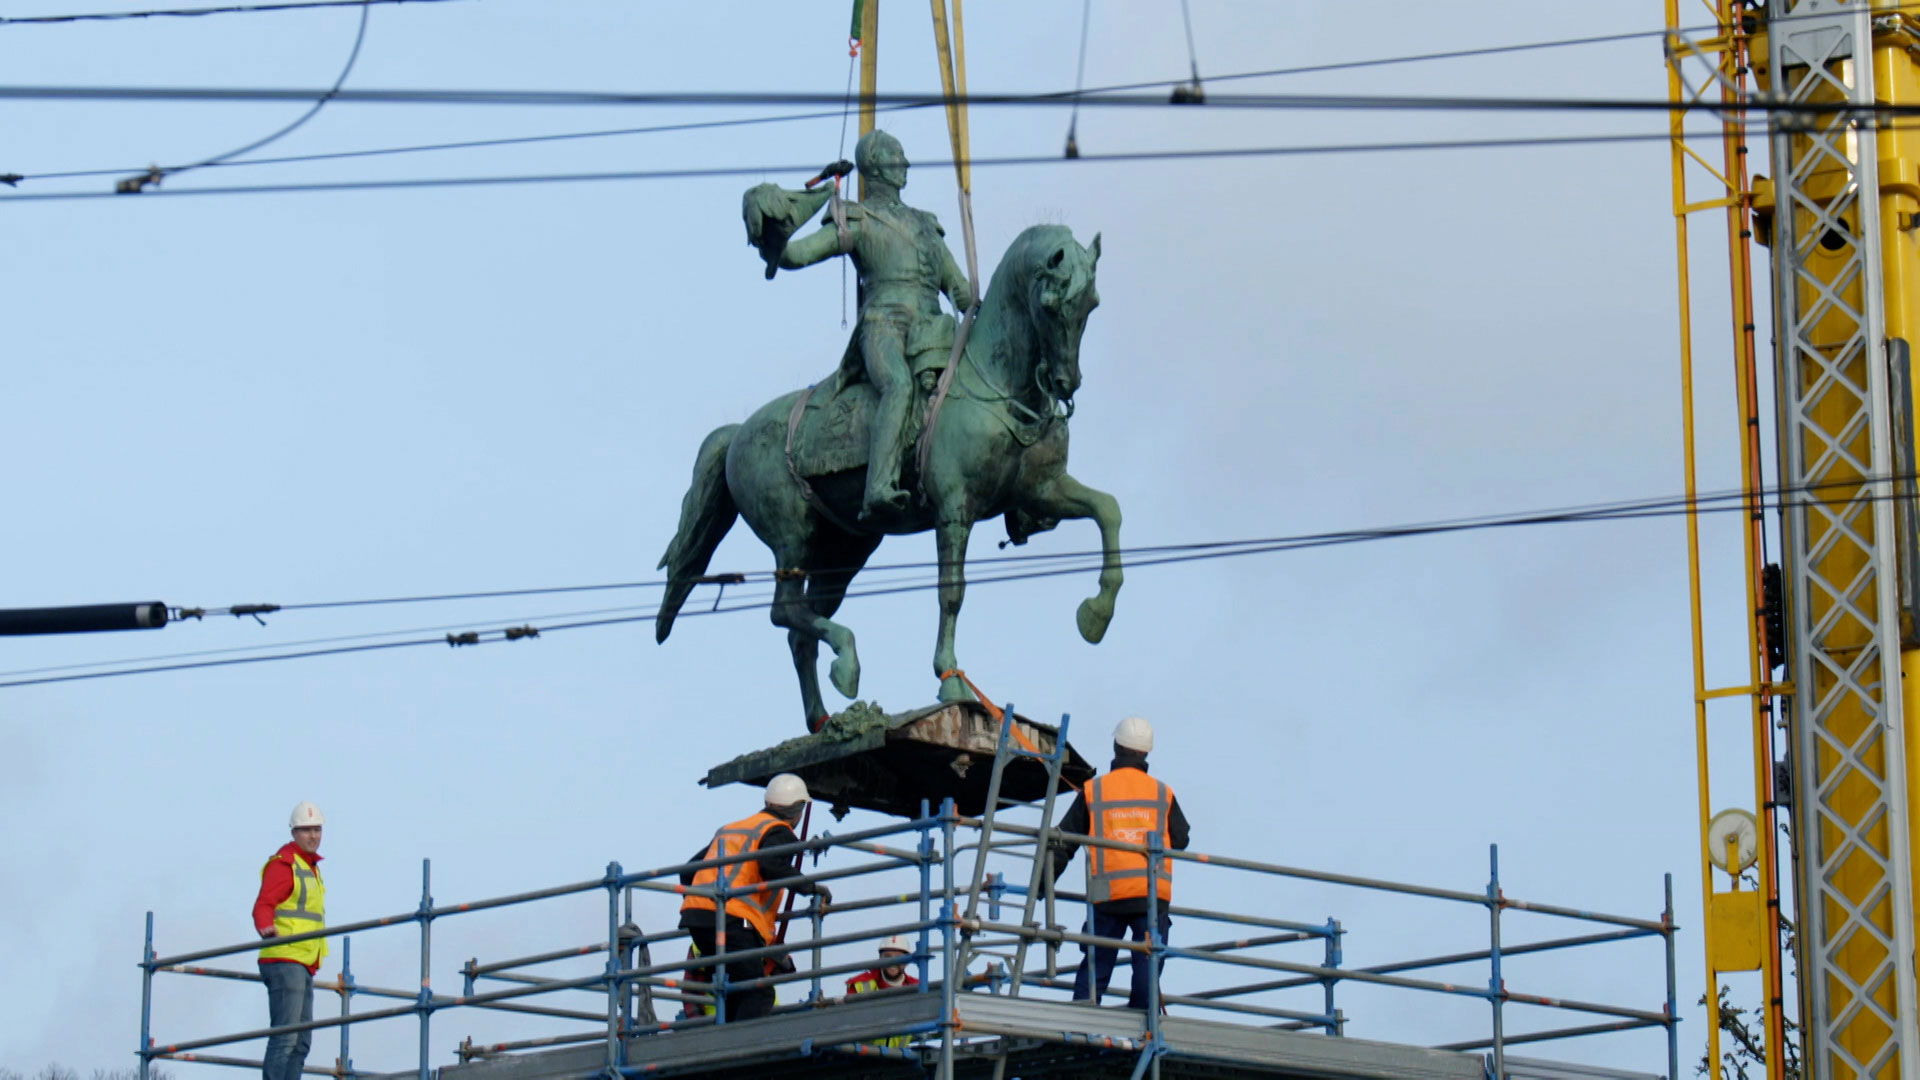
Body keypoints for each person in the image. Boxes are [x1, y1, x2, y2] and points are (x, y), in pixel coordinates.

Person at [770, 129, 975, 520]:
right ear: (878, 164)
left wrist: (983, 303)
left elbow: (959, 290)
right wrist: (776, 240)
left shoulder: (926, 226)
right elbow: (797, 256)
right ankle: (878, 485)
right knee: (897, 385)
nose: (906, 164)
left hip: (932, 329)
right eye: (899, 156)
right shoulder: (859, 218)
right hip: (884, 324)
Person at [1051, 717, 1190, 1010]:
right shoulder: (1162, 793)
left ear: (1116, 746)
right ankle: (1142, 1020)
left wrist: (1042, 884)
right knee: (1148, 963)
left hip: (1107, 895)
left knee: (1095, 965)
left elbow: (1063, 843)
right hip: (1151, 895)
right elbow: (1181, 839)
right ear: (1147, 752)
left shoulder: (1094, 790)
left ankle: (1082, 1021)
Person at [678, 774, 832, 1021]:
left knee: (737, 990)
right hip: (733, 922)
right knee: (758, 994)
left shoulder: (732, 829)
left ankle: (725, 1043)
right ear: (798, 809)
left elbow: (687, 873)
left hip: (697, 919)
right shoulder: (779, 831)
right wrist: (811, 888)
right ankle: (738, 1051)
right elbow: (771, 865)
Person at [254, 801, 328, 1080]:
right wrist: (265, 926)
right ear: (295, 832)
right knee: (285, 1038)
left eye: (317, 829)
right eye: (307, 830)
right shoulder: (284, 864)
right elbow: (263, 904)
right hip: (285, 958)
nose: (313, 836)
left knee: (300, 1042)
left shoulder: (308, 867)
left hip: (304, 960)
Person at [843, 935, 921, 1047]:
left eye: (899, 957)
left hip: (900, 1059)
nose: (893, 961)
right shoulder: (860, 984)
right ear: (880, 959)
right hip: (863, 1056)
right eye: (888, 956)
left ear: (907, 961)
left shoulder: (916, 987)